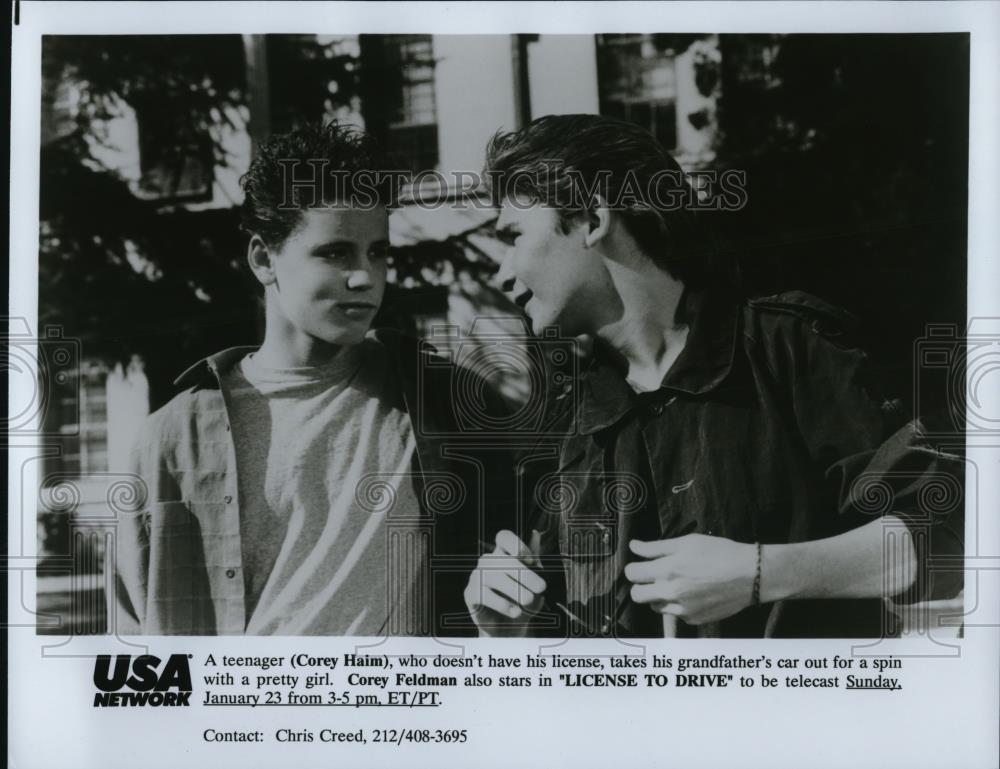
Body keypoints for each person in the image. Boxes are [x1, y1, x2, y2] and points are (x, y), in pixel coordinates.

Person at [464, 114, 964, 638]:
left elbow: (946, 531)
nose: (500, 272)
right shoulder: (566, 419)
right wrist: (503, 626)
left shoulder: (788, 350)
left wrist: (760, 574)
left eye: (513, 236)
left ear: (592, 219)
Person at [111, 122, 511, 636]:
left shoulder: (442, 400)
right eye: (335, 252)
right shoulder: (172, 438)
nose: (365, 276)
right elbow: (131, 633)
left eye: (378, 252)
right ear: (263, 258)